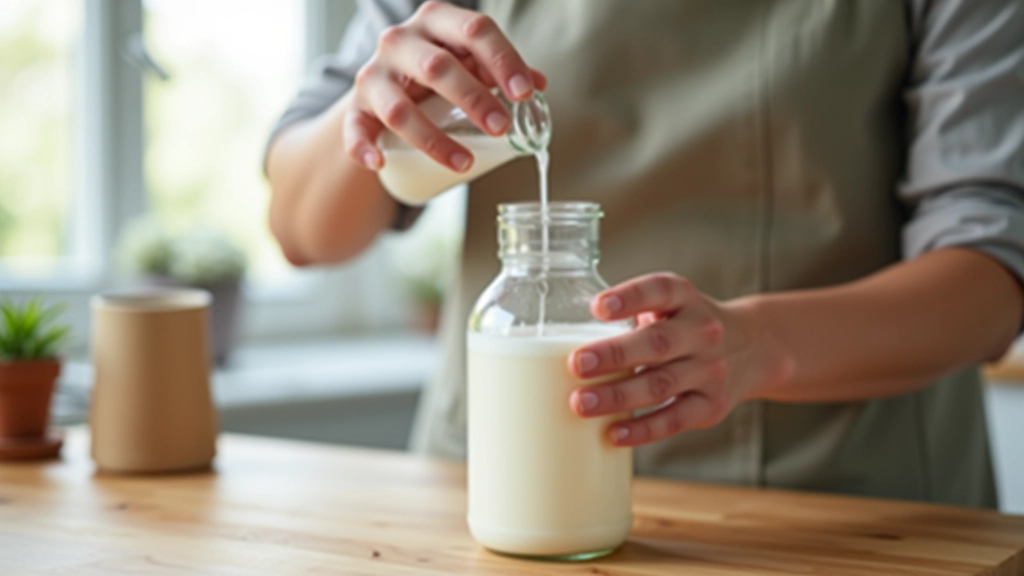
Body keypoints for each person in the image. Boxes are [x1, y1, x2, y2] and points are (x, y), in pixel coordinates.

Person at [265, 0, 1024, 507]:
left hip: (840, 497)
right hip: (499, 496)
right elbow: (300, 232)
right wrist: (364, 116)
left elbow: (992, 271)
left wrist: (757, 346)